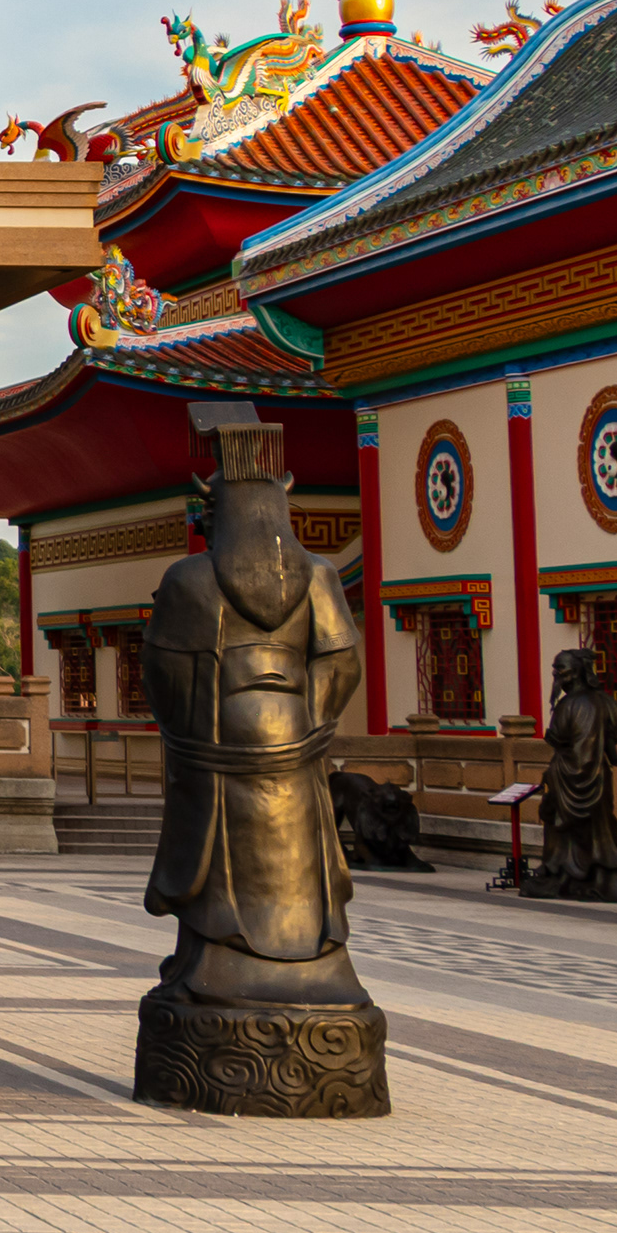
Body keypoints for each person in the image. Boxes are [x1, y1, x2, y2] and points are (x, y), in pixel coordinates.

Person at [133, 415, 380, 1116]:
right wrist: (311, 726)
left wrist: (194, 733)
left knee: (222, 872)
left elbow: (167, 674)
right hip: (293, 744)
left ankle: (217, 969)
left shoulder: (191, 580)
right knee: (298, 867)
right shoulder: (317, 576)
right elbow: (341, 660)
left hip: (220, 743)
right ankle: (309, 965)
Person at [529, 646, 617, 904]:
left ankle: (584, 877)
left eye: (562, 669)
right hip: (587, 773)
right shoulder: (598, 701)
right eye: (555, 669)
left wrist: (576, 774)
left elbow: (575, 746)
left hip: (576, 774)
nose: (557, 675)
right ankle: (579, 874)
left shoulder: (576, 704)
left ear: (578, 672)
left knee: (585, 829)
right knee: (587, 830)